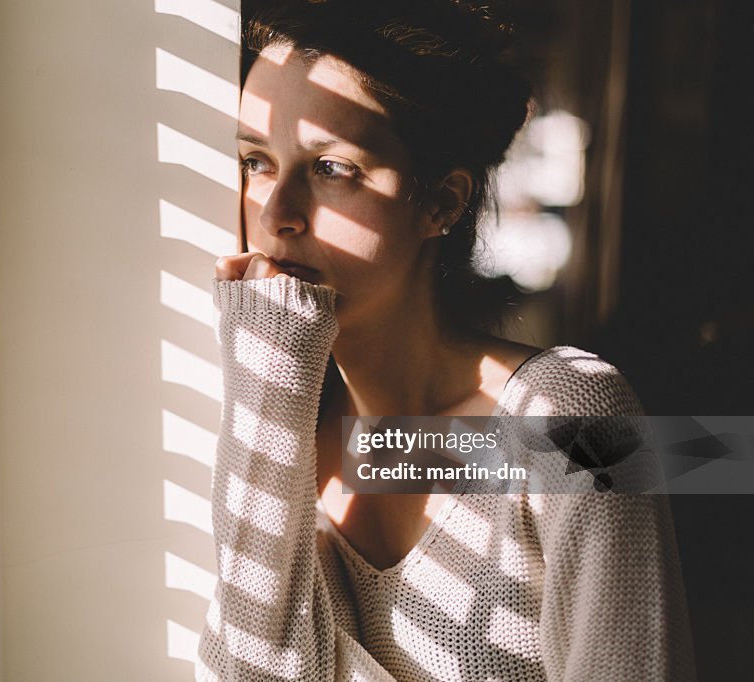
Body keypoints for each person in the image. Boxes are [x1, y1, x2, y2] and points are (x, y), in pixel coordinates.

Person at [197, 1, 695, 680]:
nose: (276, 215)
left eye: (331, 169)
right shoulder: (279, 427)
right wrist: (270, 381)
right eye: (256, 162)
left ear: (443, 201)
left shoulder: (571, 420)